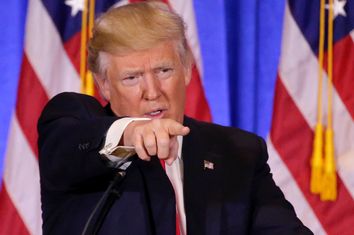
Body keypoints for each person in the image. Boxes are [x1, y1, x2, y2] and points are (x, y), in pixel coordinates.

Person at [37, 2, 313, 235]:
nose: (152, 91)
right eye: (132, 78)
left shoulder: (237, 152)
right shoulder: (73, 128)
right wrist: (130, 134)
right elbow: (68, 147)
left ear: (187, 69)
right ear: (105, 85)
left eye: (164, 70)